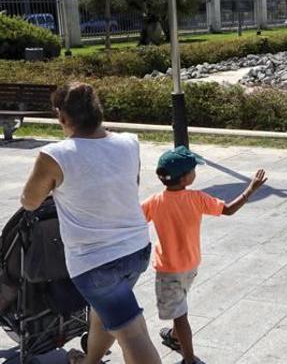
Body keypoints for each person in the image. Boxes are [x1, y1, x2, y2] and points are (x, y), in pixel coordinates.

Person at [19, 82, 161, 364]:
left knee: (131, 333)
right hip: (136, 251)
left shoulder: (54, 155)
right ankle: (90, 360)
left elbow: (29, 201)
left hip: (95, 263)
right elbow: (128, 185)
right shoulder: (129, 142)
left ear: (61, 116)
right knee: (108, 314)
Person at [141, 146, 267, 364]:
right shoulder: (197, 198)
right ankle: (175, 338)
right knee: (180, 304)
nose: (195, 173)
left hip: (168, 268)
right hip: (191, 264)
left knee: (180, 314)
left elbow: (133, 221)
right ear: (184, 178)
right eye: (193, 170)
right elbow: (227, 209)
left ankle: (188, 358)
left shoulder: (154, 201)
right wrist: (250, 190)